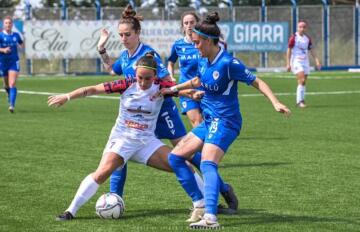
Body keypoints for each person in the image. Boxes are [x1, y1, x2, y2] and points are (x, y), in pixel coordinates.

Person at [98, 5, 238, 217]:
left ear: (137, 34)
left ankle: (219, 190)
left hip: (162, 114)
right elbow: (111, 69)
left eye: (127, 34)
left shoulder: (148, 55)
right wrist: (102, 49)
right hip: (140, 119)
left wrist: (183, 92)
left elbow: (166, 82)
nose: (124, 38)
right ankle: (115, 199)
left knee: (187, 155)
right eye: (121, 35)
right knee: (120, 154)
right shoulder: (126, 56)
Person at [160, 12, 291, 229]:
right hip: (209, 121)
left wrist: (275, 102)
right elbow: (198, 80)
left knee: (207, 163)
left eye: (198, 42)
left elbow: (257, 81)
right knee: (175, 157)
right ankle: (201, 203)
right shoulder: (203, 59)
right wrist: (174, 89)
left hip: (226, 122)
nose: (195, 47)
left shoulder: (229, 63)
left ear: (210, 41)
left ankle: (210, 217)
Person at [49, 53, 203, 221]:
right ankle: (70, 211)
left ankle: (205, 205)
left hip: (146, 142)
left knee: (183, 164)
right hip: (122, 139)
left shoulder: (162, 87)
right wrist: (68, 96)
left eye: (148, 79)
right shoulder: (125, 84)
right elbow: (93, 89)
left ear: (156, 76)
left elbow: (182, 91)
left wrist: (192, 94)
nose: (143, 83)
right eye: (140, 77)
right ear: (135, 73)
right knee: (101, 173)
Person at [167, 11, 238, 215]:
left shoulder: (211, 50)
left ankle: (211, 204)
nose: (189, 25)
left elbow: (216, 72)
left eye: (191, 22)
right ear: (182, 26)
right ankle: (215, 193)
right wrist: (174, 85)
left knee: (200, 153)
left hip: (207, 96)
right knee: (188, 153)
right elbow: (171, 62)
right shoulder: (179, 45)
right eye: (185, 22)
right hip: (187, 94)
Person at [286, 20, 321, 108]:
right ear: (297, 28)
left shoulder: (307, 39)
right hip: (296, 61)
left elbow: (311, 50)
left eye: (303, 27)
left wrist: (317, 60)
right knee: (302, 80)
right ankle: (299, 101)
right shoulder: (293, 38)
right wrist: (288, 63)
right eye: (300, 27)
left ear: (306, 28)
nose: (302, 28)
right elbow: (289, 50)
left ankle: (301, 100)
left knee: (303, 82)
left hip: (305, 61)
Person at [0, 16, 24, 113]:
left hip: (14, 62)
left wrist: (20, 48)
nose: (8, 25)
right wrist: (3, 50)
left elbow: (21, 44)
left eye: (9, 23)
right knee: (6, 85)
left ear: (12, 24)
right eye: (6, 23)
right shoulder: (1, 36)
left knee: (12, 83)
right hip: (3, 62)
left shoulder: (16, 35)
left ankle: (11, 105)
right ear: (3, 24)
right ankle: (8, 93)